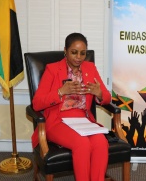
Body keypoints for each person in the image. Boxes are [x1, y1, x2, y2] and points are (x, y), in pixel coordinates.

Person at [31, 32, 111, 181]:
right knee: (82, 144)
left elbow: (107, 97)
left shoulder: (90, 68)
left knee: (100, 142)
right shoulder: (52, 69)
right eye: (74, 52)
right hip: (58, 120)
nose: (78, 57)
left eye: (82, 53)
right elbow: (37, 103)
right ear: (65, 51)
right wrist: (61, 92)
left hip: (83, 119)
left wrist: (99, 93)